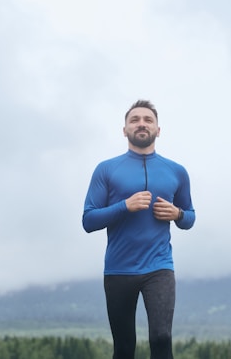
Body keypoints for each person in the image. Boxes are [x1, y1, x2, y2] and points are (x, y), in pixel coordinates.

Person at [82, 99, 196, 359]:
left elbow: (190, 218)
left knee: (162, 337)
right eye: (134, 120)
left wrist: (177, 213)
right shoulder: (106, 169)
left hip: (159, 267)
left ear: (158, 129)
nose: (141, 124)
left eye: (148, 120)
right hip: (119, 268)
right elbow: (88, 221)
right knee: (124, 347)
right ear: (125, 130)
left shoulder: (177, 171)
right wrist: (125, 206)